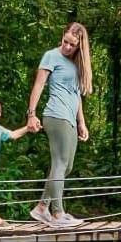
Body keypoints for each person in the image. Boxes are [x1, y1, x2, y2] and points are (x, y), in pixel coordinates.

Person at [25, 22, 93, 228]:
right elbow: (39, 85)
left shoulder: (76, 64)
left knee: (66, 166)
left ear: (80, 46)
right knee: (60, 163)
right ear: (62, 37)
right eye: (65, 41)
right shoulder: (51, 56)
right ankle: (57, 214)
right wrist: (31, 114)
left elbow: (76, 95)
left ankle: (41, 208)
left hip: (70, 119)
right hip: (55, 115)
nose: (67, 47)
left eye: (72, 45)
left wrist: (82, 122)